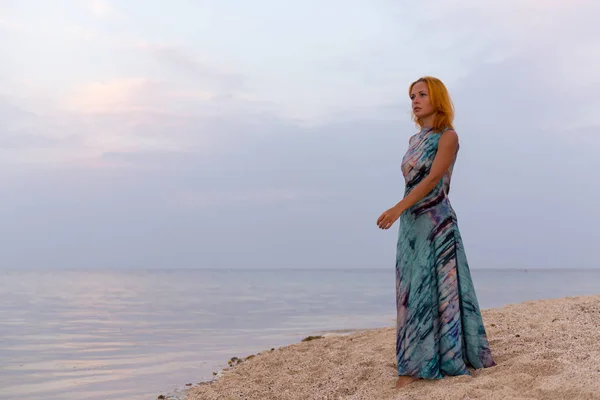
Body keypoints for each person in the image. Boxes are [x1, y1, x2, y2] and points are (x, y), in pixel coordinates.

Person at [376, 76, 496, 389]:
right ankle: (415, 358)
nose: (415, 101)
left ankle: (423, 365)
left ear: (436, 99)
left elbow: (431, 181)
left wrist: (397, 207)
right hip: (411, 225)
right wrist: (403, 212)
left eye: (421, 95)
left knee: (435, 291)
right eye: (412, 96)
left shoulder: (448, 136)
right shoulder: (414, 141)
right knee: (410, 290)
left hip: (435, 223)